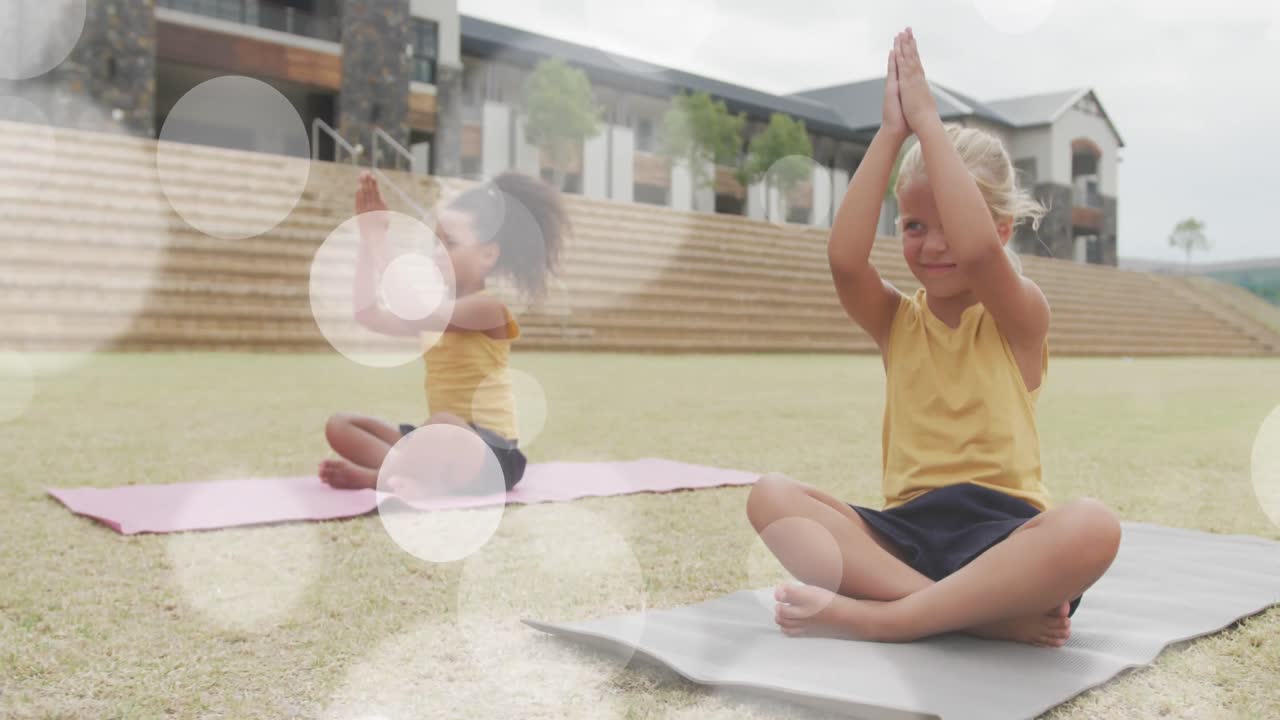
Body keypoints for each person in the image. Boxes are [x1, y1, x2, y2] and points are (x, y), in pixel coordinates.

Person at [745, 28, 1121, 647]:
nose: (935, 244)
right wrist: (892, 133)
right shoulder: (897, 319)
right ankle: (969, 614)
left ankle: (887, 618)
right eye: (915, 225)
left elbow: (974, 252)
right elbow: (844, 261)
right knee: (771, 497)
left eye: (951, 223)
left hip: (1005, 538)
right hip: (906, 538)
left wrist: (928, 122)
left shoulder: (1019, 315)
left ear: (1001, 229)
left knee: (1093, 526)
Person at [319, 171, 567, 494]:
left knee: (443, 424)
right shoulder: (435, 315)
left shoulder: (488, 309)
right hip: (439, 443)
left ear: (487, 255)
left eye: (450, 243)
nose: (437, 252)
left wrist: (382, 240)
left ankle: (378, 478)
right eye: (435, 242)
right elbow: (367, 314)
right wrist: (369, 239)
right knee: (341, 425)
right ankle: (406, 473)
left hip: (491, 455)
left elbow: (414, 306)